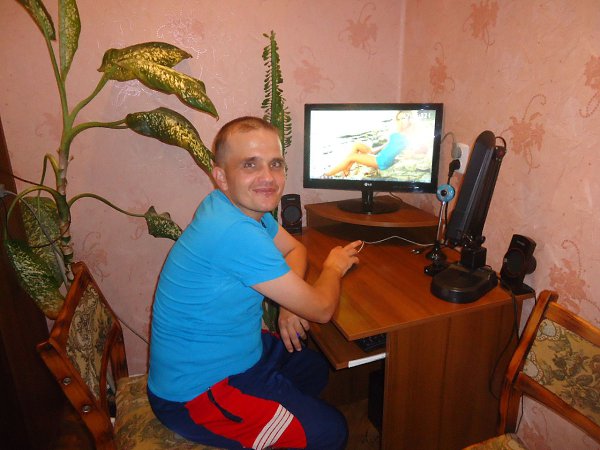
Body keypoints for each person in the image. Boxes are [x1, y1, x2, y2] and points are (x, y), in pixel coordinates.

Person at [147, 116, 361, 449]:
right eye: (250, 164)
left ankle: (273, 420)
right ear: (221, 177)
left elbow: (295, 249)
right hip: (198, 391)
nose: (268, 177)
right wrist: (333, 266)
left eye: (275, 164)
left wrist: (290, 304)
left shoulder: (234, 207)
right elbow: (321, 309)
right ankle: (268, 423)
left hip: (237, 351)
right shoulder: (234, 231)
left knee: (314, 367)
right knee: (330, 431)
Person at [324, 110, 413, 177]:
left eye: (404, 118)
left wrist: (403, 158)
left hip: (381, 162)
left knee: (352, 157)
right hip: (379, 156)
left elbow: (411, 150)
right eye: (399, 119)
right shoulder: (399, 132)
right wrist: (373, 152)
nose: (401, 121)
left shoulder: (409, 135)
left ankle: (327, 175)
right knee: (357, 145)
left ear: (409, 119)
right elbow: (388, 145)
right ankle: (347, 168)